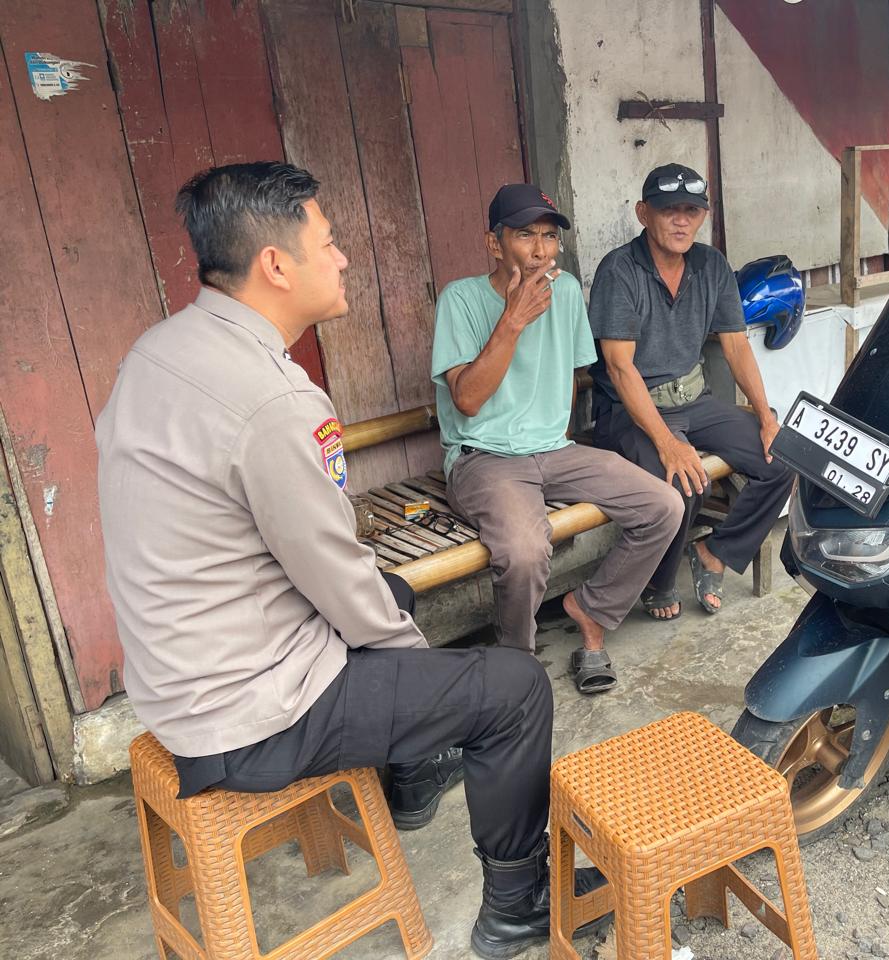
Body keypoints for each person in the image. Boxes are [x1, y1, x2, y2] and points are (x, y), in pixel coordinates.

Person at [95, 162, 602, 959]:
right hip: (252, 712)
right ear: (276, 265)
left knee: (394, 591)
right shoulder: (274, 400)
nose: (342, 259)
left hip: (176, 676)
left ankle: (412, 775)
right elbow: (336, 576)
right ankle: (517, 905)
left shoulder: (156, 351)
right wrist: (424, 677)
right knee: (512, 689)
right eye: (328, 243)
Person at [432, 184, 683, 693]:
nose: (541, 250)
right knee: (525, 552)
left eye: (549, 237)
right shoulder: (460, 299)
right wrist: (514, 319)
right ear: (495, 244)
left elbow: (569, 376)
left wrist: (555, 436)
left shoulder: (565, 291)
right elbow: (468, 400)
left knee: (664, 506)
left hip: (555, 449)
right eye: (526, 235)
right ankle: (517, 667)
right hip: (484, 458)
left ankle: (591, 610)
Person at [589, 163, 793, 619]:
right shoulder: (619, 271)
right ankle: (658, 584)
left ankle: (714, 553)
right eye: (669, 210)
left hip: (695, 402)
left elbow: (736, 346)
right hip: (630, 411)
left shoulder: (711, 264)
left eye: (692, 211)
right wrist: (668, 444)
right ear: (643, 213)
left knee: (781, 460)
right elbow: (620, 368)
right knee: (684, 482)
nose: (681, 221)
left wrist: (765, 417)